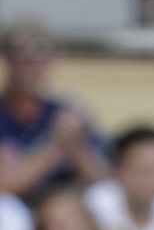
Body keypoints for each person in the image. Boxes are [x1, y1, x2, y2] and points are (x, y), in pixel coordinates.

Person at [0, 18, 108, 201]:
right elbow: (5, 185)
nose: (29, 67)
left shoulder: (65, 113)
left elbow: (104, 181)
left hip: (64, 212)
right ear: (6, 59)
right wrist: (54, 144)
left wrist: (76, 147)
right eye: (21, 57)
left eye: (38, 57)